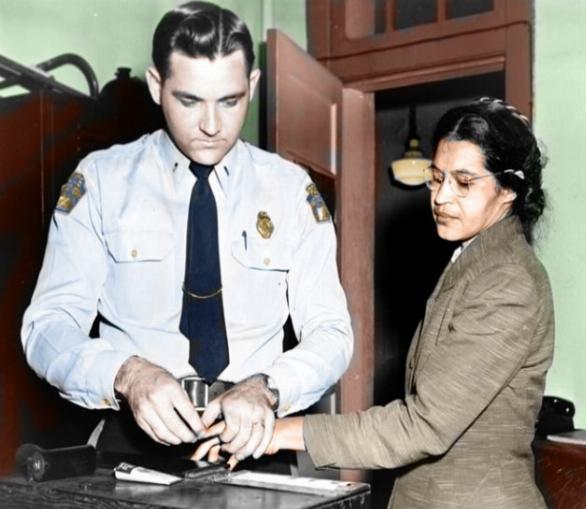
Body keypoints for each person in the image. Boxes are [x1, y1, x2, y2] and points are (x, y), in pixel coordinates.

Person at [21, 1, 352, 462]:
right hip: (130, 449)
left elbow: (331, 332)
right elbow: (46, 327)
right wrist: (127, 374)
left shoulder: (291, 191)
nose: (212, 126)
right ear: (157, 85)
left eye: (230, 101)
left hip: (252, 445)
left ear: (253, 85)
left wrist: (270, 387)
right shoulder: (100, 181)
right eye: (189, 101)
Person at [197, 97, 554, 508]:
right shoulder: (476, 261)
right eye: (437, 178)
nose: (441, 197)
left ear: (508, 189)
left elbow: (423, 425)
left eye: (463, 182)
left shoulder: (507, 281)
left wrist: (277, 432)